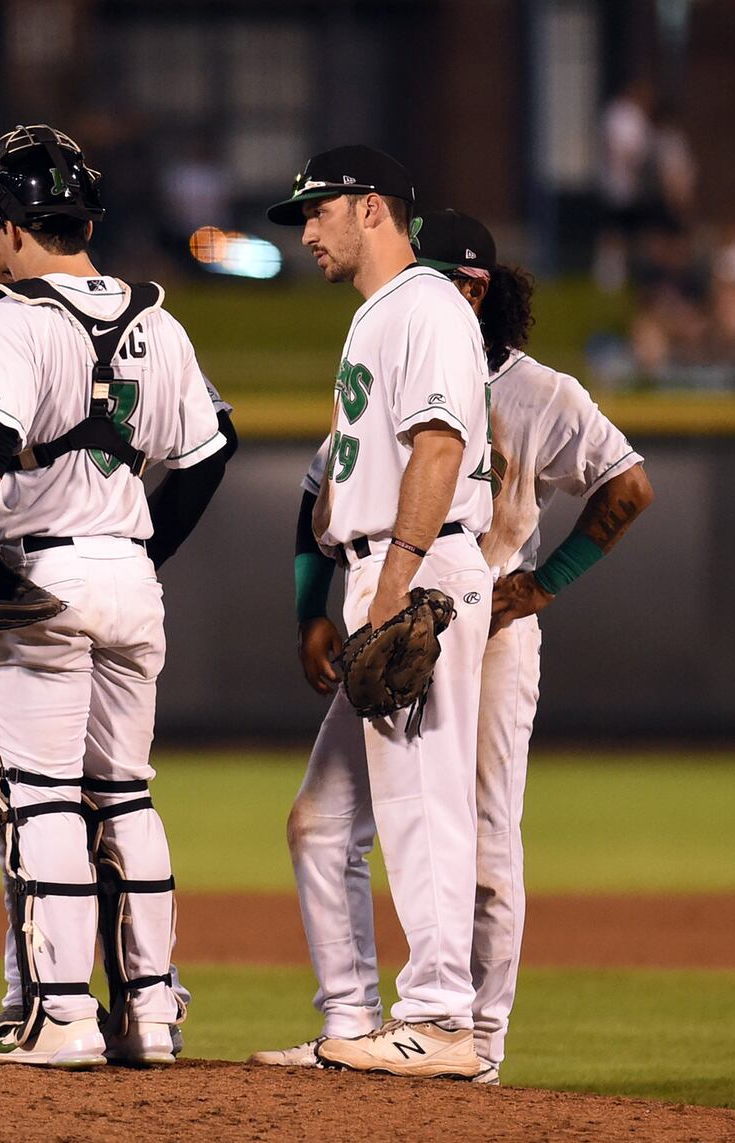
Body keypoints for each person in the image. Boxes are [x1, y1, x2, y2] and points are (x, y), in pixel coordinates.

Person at [257, 208, 653, 1084]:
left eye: (442, 275)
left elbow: (631, 484)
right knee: (321, 822)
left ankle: (477, 1043)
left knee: (483, 840)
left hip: (480, 615)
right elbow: (320, 484)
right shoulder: (402, 348)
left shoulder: (540, 392)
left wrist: (544, 584)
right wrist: (310, 608)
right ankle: (354, 1021)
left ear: (473, 288)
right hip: (404, 601)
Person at [0, 124, 228, 1069]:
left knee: (41, 797)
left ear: (12, 225)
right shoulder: (161, 321)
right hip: (130, 575)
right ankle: (151, 1018)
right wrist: (141, 557)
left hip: (40, 573)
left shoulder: (11, 316)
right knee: (126, 795)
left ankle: (62, 1017)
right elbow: (208, 456)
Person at [254, 147, 494, 1079]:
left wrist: (391, 582)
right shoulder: (377, 317)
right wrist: (336, 598)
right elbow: (339, 482)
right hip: (381, 571)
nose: (305, 231)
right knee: (322, 820)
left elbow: (439, 446)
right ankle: (353, 1021)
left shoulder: (427, 303)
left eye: (316, 212)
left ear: (369, 210)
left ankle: (439, 1018)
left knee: (422, 806)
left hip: (421, 572)